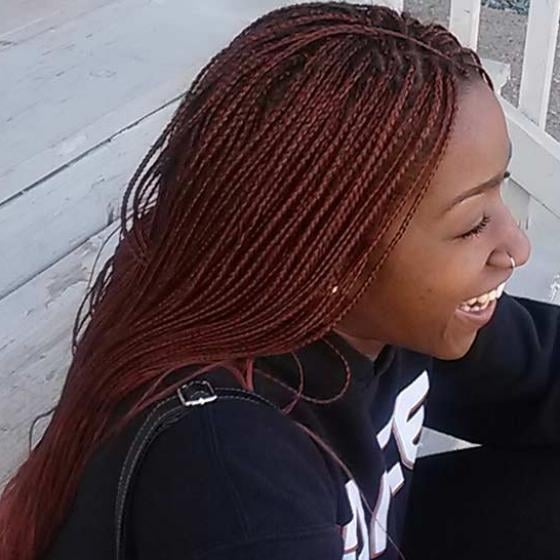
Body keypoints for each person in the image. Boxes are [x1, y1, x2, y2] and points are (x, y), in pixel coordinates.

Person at [1, 2, 559, 559]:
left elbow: (537, 367)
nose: (517, 247)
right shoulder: (230, 487)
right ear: (329, 256)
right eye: (472, 223)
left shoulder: (382, 307)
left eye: (499, 190)